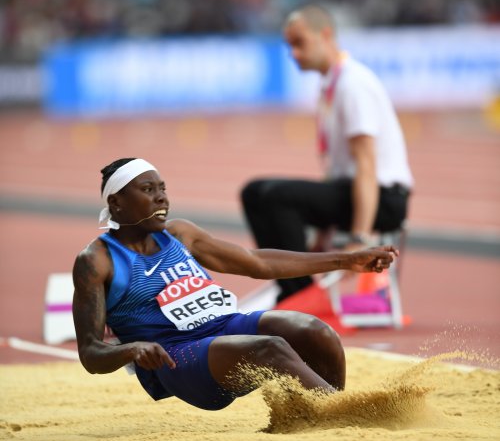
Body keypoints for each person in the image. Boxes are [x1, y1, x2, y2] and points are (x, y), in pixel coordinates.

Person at [72, 157, 398, 412]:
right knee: (271, 348)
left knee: (316, 331)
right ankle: (348, 413)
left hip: (226, 327)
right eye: (147, 190)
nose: (161, 198)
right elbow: (90, 353)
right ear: (116, 203)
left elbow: (257, 263)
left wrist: (346, 260)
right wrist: (133, 349)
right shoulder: (97, 261)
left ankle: (317, 417)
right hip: (176, 356)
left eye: (163, 188)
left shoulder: (179, 233)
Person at [240, 4, 413, 303]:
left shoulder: (353, 84)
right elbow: (337, 169)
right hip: (350, 190)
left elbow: (367, 165)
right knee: (254, 192)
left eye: (300, 43)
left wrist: (359, 238)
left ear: (326, 35)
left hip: (384, 198)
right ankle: (292, 289)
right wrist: (323, 232)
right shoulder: (329, 85)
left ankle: (302, 296)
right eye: (289, 46)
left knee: (277, 197)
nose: (293, 53)